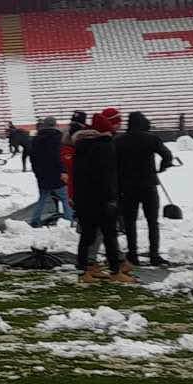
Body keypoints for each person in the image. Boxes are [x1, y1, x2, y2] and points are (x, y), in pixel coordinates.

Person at [72, 109, 130, 283]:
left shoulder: (81, 147)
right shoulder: (105, 147)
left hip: (84, 199)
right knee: (110, 236)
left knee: (87, 237)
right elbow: (108, 177)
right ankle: (115, 271)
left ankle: (83, 273)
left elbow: (78, 175)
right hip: (103, 200)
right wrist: (112, 198)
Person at [115, 110, 173, 267]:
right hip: (148, 184)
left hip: (127, 187)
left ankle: (132, 254)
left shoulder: (119, 140)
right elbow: (167, 156)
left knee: (130, 221)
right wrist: (161, 168)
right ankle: (154, 254)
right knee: (152, 221)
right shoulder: (151, 138)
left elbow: (113, 164)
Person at [28, 116, 75, 228]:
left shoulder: (36, 139)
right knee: (65, 198)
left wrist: (37, 172)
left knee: (42, 198)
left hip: (42, 175)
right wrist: (63, 171)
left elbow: (32, 158)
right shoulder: (58, 138)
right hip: (56, 174)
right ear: (55, 125)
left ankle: (35, 219)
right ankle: (69, 220)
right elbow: (58, 157)